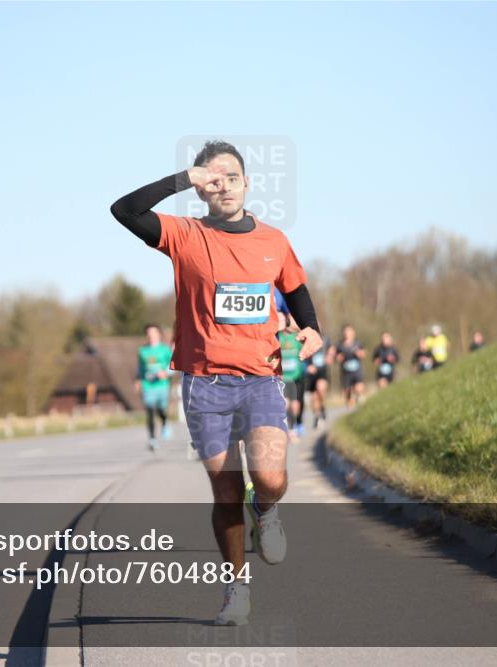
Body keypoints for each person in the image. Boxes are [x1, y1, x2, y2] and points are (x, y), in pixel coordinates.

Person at [110, 140, 322, 626]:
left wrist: (310, 328)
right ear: (204, 189)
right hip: (206, 384)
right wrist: (185, 176)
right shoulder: (184, 236)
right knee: (225, 492)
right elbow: (124, 209)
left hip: (262, 378)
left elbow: (296, 288)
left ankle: (265, 510)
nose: (223, 183)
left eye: (232, 176)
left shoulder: (273, 240)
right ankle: (236, 590)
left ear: (248, 184)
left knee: (268, 478)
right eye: (213, 178)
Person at [136, 324, 173, 451]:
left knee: (161, 409)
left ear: (159, 335)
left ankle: (164, 422)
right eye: (148, 334)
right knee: (150, 410)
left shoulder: (165, 350)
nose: (151, 336)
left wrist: (166, 373)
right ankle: (152, 439)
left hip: (162, 385)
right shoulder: (142, 351)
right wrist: (138, 380)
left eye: (153, 333)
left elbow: (174, 365)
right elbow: (140, 368)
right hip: (148, 385)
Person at [277, 311, 305, 440]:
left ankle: (295, 425)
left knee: (295, 406)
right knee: (285, 404)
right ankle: (288, 428)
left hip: (296, 376)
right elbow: (271, 355)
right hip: (284, 378)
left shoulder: (297, 337)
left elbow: (305, 352)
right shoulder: (278, 338)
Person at [304, 331, 333, 429]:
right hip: (311, 372)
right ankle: (317, 416)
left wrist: (330, 356)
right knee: (314, 397)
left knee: (320, 389)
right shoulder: (305, 338)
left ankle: (322, 407)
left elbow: (332, 349)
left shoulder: (325, 339)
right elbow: (300, 353)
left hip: (322, 371)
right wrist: (307, 366)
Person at [335, 325, 366, 407]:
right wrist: (339, 357)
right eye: (346, 332)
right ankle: (351, 407)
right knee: (347, 394)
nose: (347, 334)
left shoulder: (358, 343)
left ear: (353, 333)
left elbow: (363, 354)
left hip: (357, 371)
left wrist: (358, 353)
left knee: (359, 388)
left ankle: (358, 400)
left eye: (349, 332)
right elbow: (336, 358)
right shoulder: (340, 345)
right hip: (346, 373)